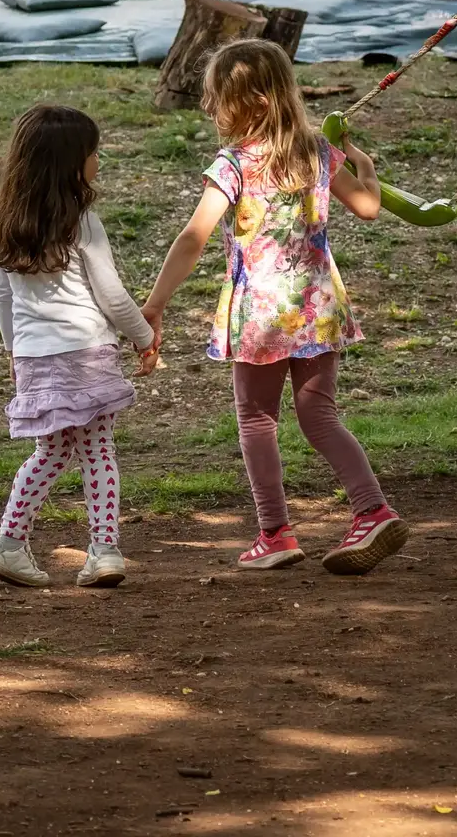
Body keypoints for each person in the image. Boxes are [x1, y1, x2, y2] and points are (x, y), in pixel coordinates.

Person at [141, 40, 407, 575]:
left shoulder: (234, 164)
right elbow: (369, 207)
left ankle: (275, 533)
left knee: (256, 418)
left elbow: (193, 238)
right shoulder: (318, 152)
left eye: (218, 96)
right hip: (317, 307)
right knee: (320, 415)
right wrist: (366, 165)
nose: (208, 106)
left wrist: (153, 305)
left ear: (257, 102)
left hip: (261, 315)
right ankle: (372, 511)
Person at [0, 104, 158, 590]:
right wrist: (144, 337)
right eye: (92, 152)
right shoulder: (82, 222)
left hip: (34, 356)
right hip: (86, 353)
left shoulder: (6, 224)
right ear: (69, 164)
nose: (98, 159)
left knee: (52, 450)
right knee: (97, 449)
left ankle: (8, 544)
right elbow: (111, 295)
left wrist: (13, 351)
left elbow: (1, 298)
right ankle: (104, 550)